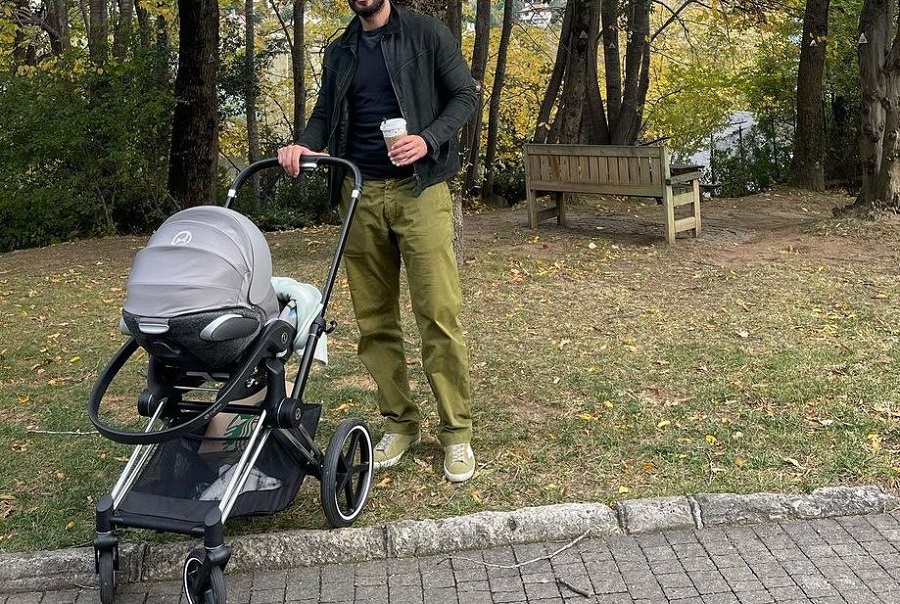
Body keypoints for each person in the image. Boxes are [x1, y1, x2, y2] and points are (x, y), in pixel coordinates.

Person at [277, 0, 478, 483]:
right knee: (374, 320)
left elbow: (465, 96)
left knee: (438, 313)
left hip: (420, 191)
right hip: (359, 193)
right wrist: (305, 143)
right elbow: (325, 113)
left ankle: (456, 433)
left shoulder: (427, 34)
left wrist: (428, 139)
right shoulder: (341, 49)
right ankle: (400, 423)